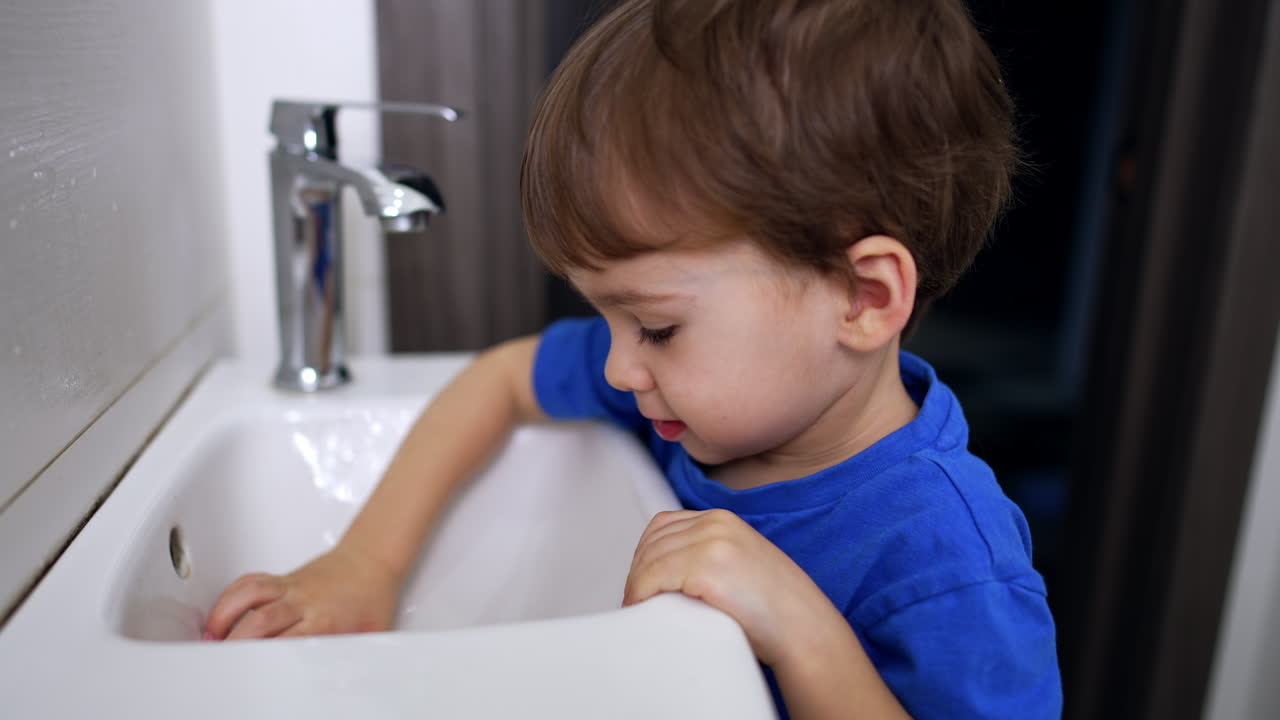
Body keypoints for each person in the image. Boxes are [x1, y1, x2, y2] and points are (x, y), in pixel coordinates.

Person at [206, 0, 1062, 717]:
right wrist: (368, 563)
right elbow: (504, 379)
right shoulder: (696, 406)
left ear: (864, 298)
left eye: (655, 326)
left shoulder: (951, 561)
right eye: (604, 319)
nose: (618, 369)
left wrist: (801, 629)